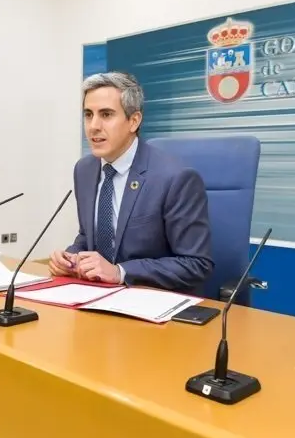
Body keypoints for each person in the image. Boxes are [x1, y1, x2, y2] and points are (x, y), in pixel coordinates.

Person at [49, 71, 214, 293]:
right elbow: (88, 236)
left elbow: (196, 264)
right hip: (95, 294)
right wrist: (70, 258)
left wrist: (120, 272)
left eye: (106, 114)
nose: (93, 126)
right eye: (88, 114)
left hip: (151, 300)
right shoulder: (84, 169)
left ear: (134, 121)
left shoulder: (175, 178)